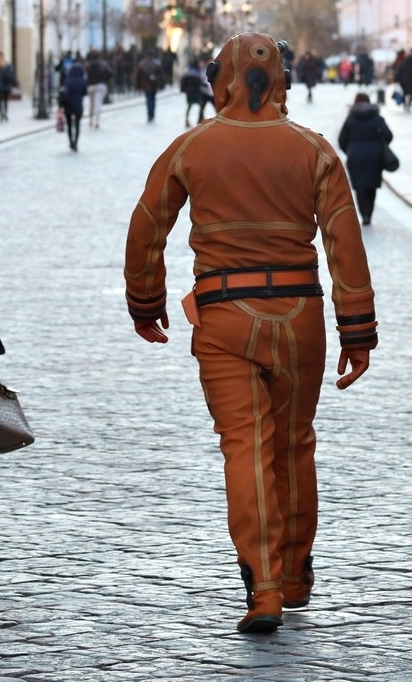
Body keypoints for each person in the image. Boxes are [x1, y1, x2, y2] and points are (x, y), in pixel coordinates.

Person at [124, 32, 379, 634]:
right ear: (280, 79)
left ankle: (262, 589)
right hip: (299, 315)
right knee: (294, 445)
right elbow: (345, 243)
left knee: (244, 446)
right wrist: (357, 329)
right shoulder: (314, 150)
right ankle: (294, 576)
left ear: (222, 81)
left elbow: (147, 226)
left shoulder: (191, 147)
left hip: (224, 315)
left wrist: (145, 300)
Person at [337, 92, 394, 226]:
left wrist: (349, 150)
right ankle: (369, 212)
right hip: (375, 156)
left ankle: (365, 214)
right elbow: (389, 135)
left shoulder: (351, 119)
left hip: (356, 156)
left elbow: (341, 140)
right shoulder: (376, 118)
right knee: (372, 185)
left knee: (359, 187)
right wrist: (380, 145)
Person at [61, 60, 88, 152]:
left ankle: (70, 141)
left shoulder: (67, 81)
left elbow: (63, 92)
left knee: (69, 125)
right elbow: (85, 93)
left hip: (68, 105)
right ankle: (76, 142)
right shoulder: (82, 81)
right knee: (77, 125)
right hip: (78, 105)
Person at [85, 51, 112, 129]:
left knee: (92, 104)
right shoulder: (104, 64)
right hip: (101, 85)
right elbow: (110, 73)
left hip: (91, 86)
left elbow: (86, 76)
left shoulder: (88, 65)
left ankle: (90, 119)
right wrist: (105, 80)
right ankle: (97, 119)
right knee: (98, 103)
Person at [136, 51, 163, 123]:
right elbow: (160, 75)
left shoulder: (142, 64)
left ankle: (150, 115)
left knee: (148, 100)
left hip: (146, 85)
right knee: (153, 99)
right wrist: (161, 85)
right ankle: (152, 114)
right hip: (153, 85)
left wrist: (138, 86)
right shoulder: (156, 64)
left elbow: (139, 76)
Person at [0, 52, 17, 122]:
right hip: (6, 85)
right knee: (5, 101)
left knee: (0, 101)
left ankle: (1, 115)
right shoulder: (6, 64)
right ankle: (5, 114)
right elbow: (10, 75)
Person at [180, 60, 205, 127]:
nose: (200, 65)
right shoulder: (195, 74)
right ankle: (199, 119)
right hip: (194, 92)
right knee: (199, 105)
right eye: (199, 64)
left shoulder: (190, 72)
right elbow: (197, 83)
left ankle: (189, 120)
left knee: (192, 106)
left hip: (191, 93)